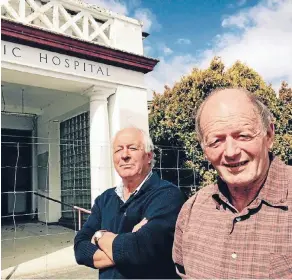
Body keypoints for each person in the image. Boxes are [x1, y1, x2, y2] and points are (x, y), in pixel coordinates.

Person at [173, 88, 292, 279]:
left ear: (269, 136)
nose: (230, 152)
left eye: (243, 136)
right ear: (205, 150)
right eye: (216, 141)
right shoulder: (192, 212)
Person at [74, 127, 185, 279]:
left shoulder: (168, 196)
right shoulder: (105, 199)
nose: (124, 155)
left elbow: (139, 249)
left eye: (132, 148)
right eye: (118, 150)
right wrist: (129, 244)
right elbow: (80, 248)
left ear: (148, 156)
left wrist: (99, 237)